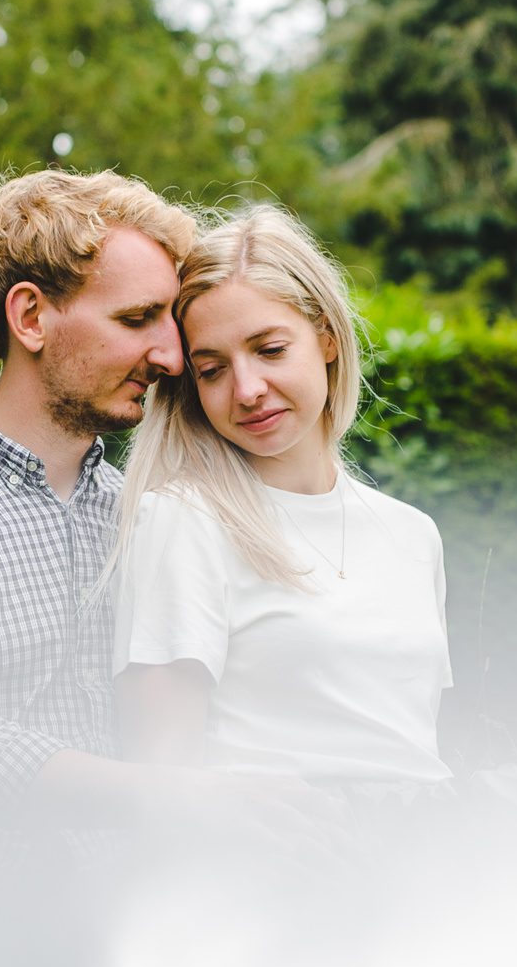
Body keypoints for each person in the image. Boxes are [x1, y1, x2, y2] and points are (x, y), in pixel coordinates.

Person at [0, 169, 317, 830]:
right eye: (138, 318)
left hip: (138, 907)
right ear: (31, 316)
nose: (172, 357)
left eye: (169, 323)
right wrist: (180, 794)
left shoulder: (149, 515)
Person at [110, 204, 454, 786]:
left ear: (325, 338)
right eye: (212, 370)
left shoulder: (413, 535)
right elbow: (163, 777)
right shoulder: (182, 521)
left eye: (269, 350)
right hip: (283, 865)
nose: (246, 390)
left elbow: (415, 745)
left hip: (427, 861)